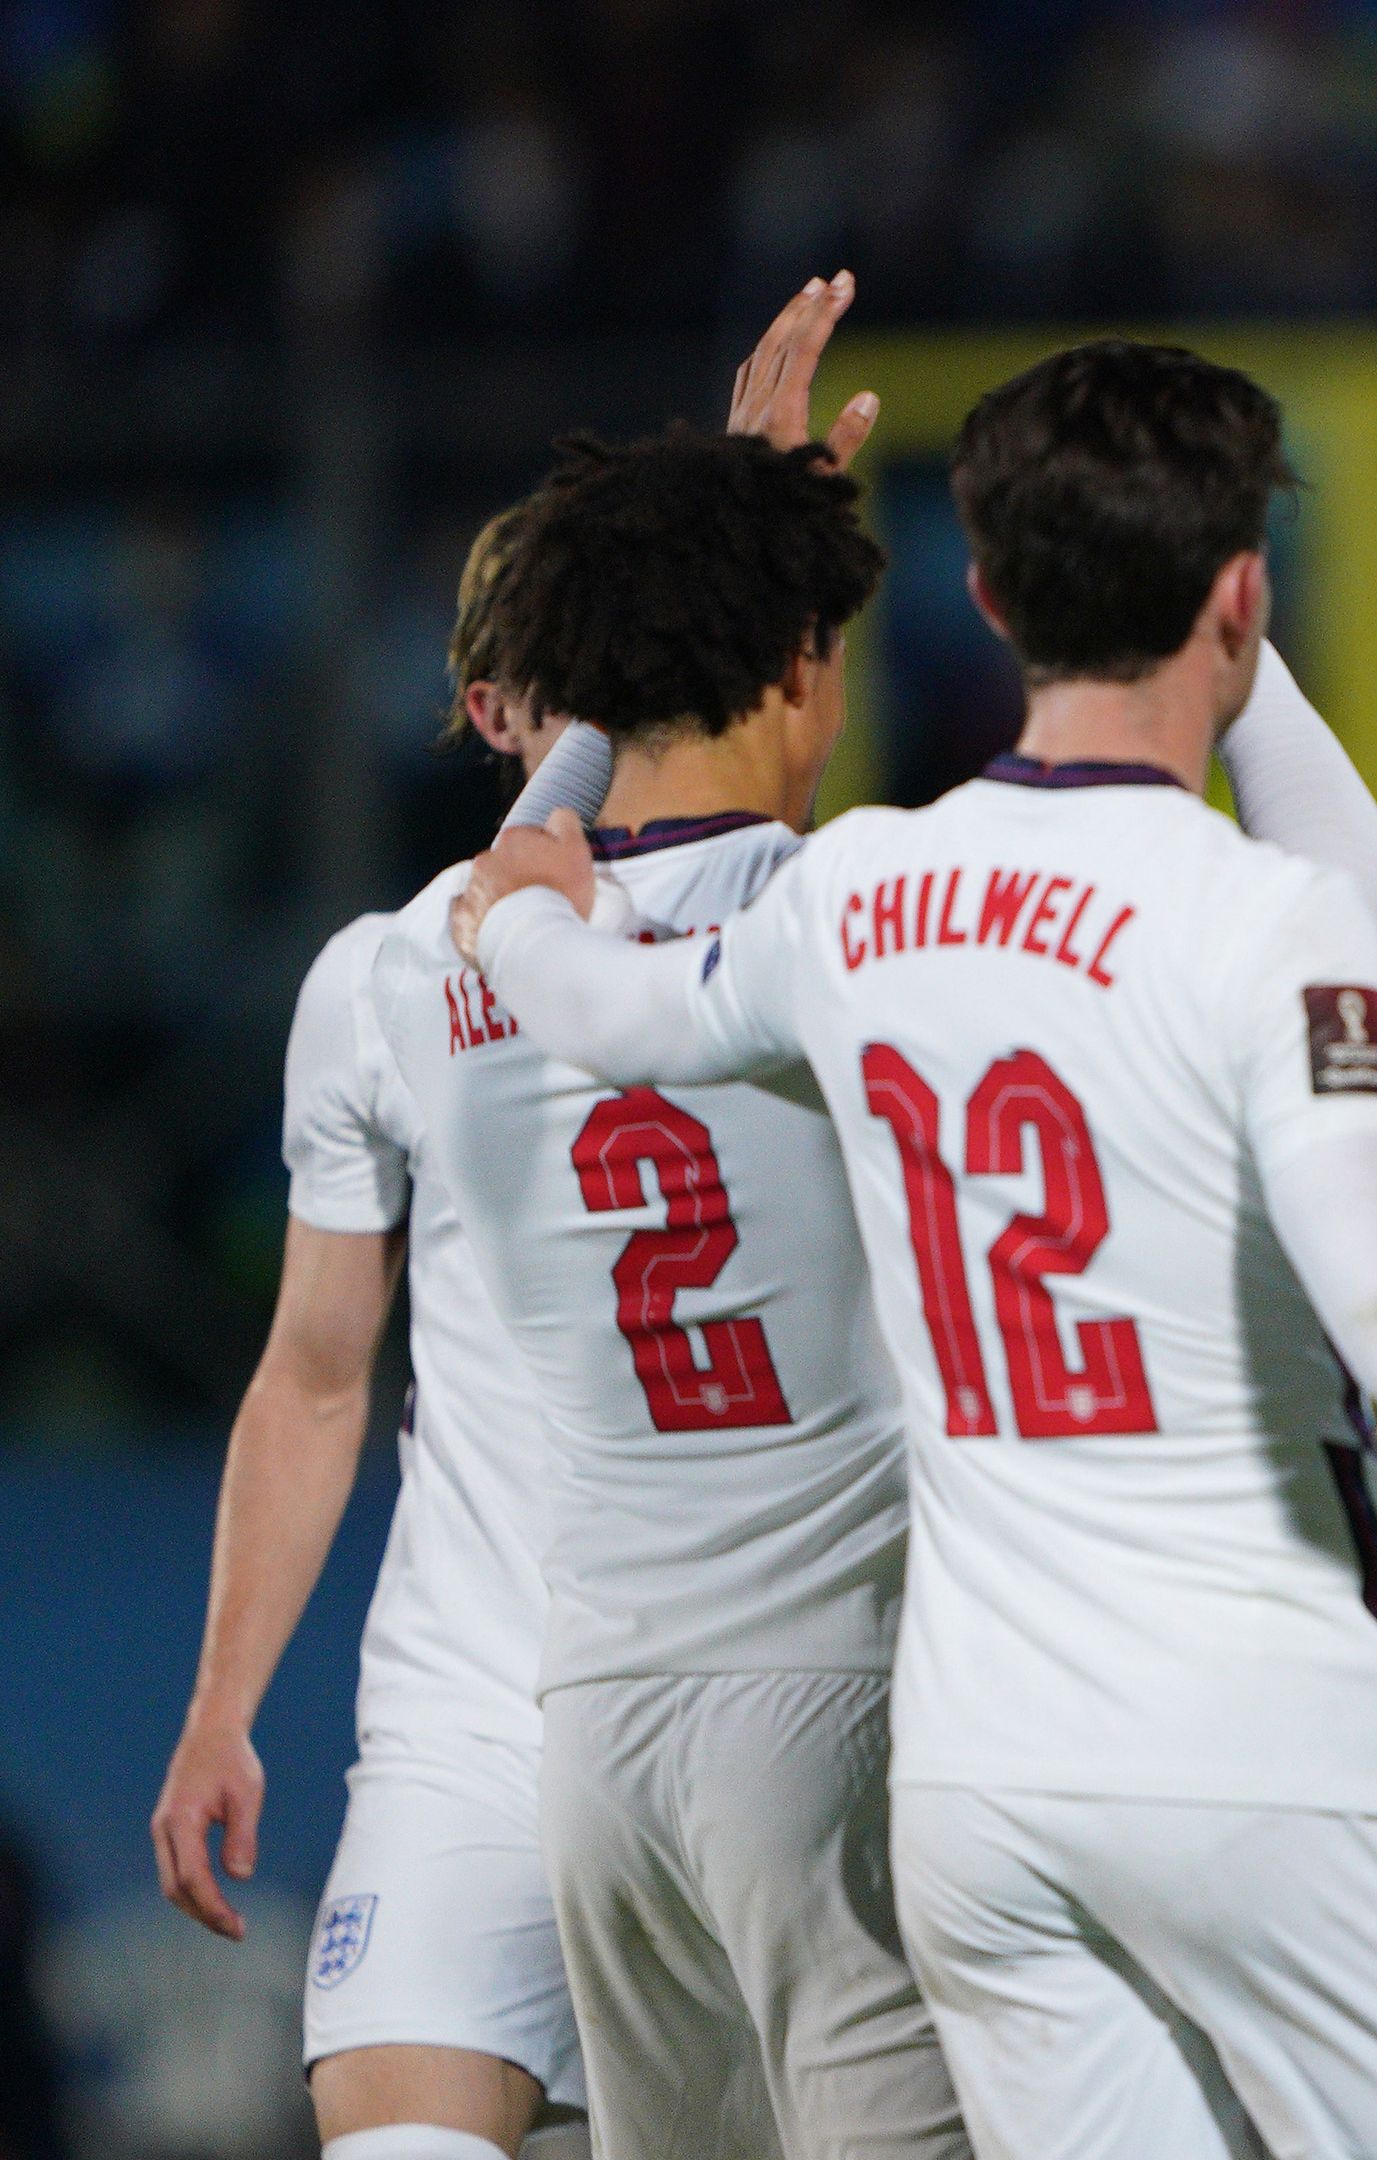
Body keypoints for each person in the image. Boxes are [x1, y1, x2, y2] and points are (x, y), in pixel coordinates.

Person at [455, 335, 1377, 2160]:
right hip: (1263, 1743)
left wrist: (543, 824)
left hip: (979, 1780)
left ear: (992, 594)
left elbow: (590, 998)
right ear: (1241, 593)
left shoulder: (856, 895)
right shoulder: (1263, 925)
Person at [372, 414, 979, 2157]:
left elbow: (550, 858)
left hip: (603, 1734)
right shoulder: (856, 911)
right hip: (840, 1703)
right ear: (803, 661)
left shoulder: (438, 953)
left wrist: (669, 558)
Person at [149, 501, 594, 2160]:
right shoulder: (383, 979)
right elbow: (319, 1372)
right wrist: (220, 1706)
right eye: (583, 682)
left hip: (737, 1721)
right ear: (493, 713)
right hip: (466, 1730)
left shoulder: (788, 922)